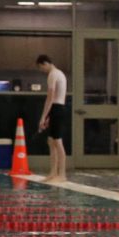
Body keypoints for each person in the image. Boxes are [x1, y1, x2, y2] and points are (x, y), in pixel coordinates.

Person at [36, 54, 68, 182]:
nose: (42, 70)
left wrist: (43, 117)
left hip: (57, 108)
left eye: (41, 67)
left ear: (45, 63)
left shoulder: (53, 74)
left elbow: (50, 97)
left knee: (57, 142)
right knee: (51, 141)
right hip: (57, 109)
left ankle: (62, 173)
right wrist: (49, 116)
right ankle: (53, 172)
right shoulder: (59, 73)